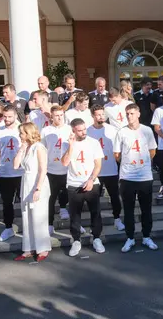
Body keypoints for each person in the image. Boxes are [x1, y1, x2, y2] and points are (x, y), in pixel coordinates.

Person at [114, 104, 159, 253]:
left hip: (144, 176)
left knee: (146, 209)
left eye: (132, 113)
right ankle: (130, 238)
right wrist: (129, 164)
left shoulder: (146, 131)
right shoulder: (122, 132)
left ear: (138, 114)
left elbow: (152, 151)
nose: (129, 116)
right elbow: (117, 155)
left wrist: (142, 163)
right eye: (127, 114)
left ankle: (146, 236)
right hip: (127, 177)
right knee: (128, 210)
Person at [61, 118, 105, 257]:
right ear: (73, 130)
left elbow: (98, 164)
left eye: (84, 129)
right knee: (75, 214)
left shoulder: (93, 142)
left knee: (95, 212)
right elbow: (64, 162)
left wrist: (91, 179)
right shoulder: (66, 144)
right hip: (74, 183)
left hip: (92, 182)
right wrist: (71, 145)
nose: (83, 132)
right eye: (79, 130)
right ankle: (76, 241)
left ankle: (96, 238)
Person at [12, 122, 51, 262]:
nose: (20, 135)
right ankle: (28, 248)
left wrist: (38, 188)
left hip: (37, 182)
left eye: (21, 133)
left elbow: (43, 169)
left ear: (28, 133)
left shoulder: (39, 147)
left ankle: (43, 248)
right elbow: (16, 165)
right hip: (26, 182)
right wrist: (21, 149)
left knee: (38, 216)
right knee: (26, 215)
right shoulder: (26, 147)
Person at [86, 105, 125, 231]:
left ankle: (117, 219)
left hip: (111, 169)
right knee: (94, 199)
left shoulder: (112, 129)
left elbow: (118, 148)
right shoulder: (88, 131)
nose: (101, 117)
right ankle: (95, 223)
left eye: (103, 114)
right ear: (92, 116)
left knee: (114, 196)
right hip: (95, 171)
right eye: (98, 114)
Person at [0, 105, 23, 242]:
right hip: (5, 171)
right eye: (5, 116)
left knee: (25, 201)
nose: (7, 119)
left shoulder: (22, 129)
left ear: (15, 116)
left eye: (10, 116)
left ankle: (28, 228)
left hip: (21, 172)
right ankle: (8, 227)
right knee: (7, 202)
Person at [41, 105, 72, 234]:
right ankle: (49, 223)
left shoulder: (70, 129)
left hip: (67, 168)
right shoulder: (45, 130)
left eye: (61, 115)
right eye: (56, 115)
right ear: (51, 117)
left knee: (67, 193)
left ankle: (65, 209)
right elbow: (42, 149)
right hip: (51, 169)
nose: (59, 118)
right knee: (50, 198)